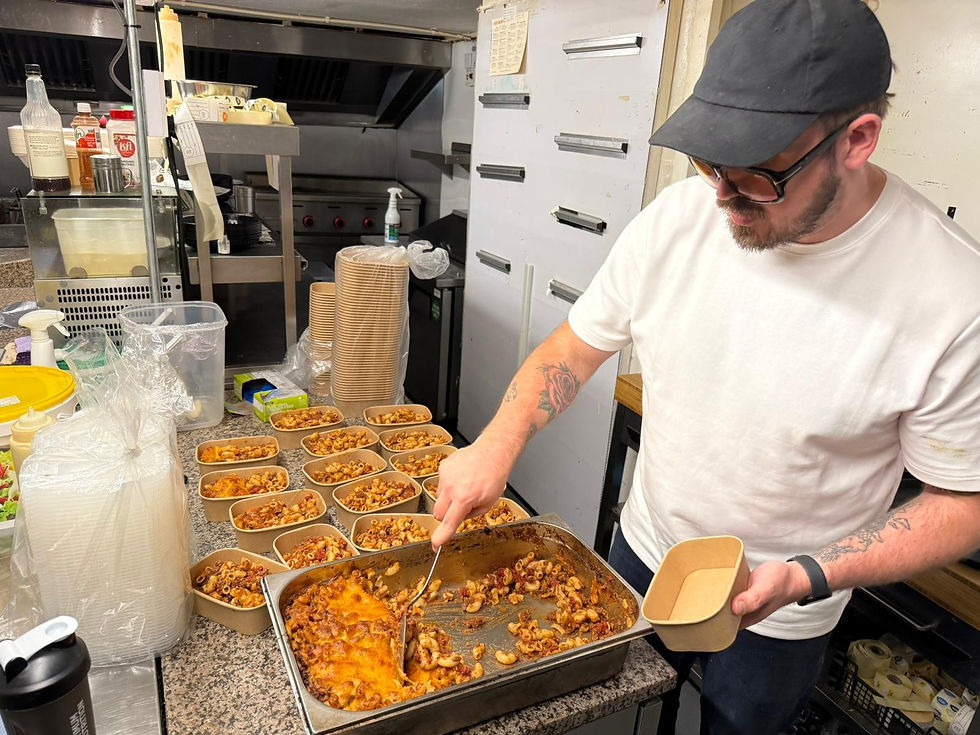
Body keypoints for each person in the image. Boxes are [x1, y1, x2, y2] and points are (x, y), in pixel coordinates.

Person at [430, 0, 980, 733]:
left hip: (786, 603)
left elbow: (963, 504)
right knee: (599, 712)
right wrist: (495, 443)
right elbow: (572, 348)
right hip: (643, 548)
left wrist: (811, 573)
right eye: (707, 162)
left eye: (756, 176)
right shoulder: (678, 217)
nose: (720, 197)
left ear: (858, 139)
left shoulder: (950, 295)